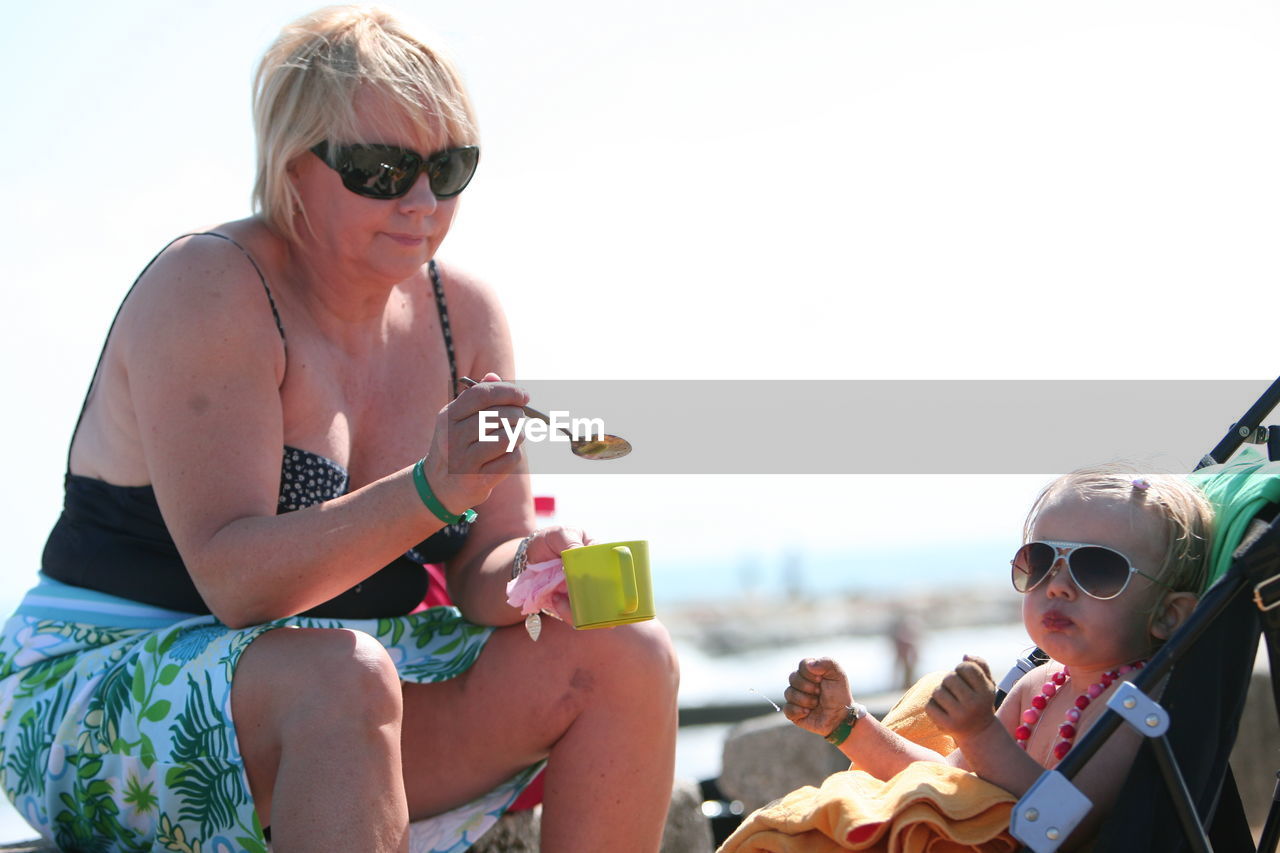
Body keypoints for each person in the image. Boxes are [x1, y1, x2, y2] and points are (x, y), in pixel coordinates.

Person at [0, 7, 677, 853]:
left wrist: (532, 566)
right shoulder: (209, 286)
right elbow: (237, 588)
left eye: (449, 166)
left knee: (626, 650)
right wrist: (431, 489)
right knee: (344, 677)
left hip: (342, 687)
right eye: (381, 168)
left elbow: (481, 567)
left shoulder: (462, 313)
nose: (423, 201)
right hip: (105, 681)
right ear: (293, 169)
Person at [775, 465, 1212, 848]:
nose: (1057, 585)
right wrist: (848, 724)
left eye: (1098, 568)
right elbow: (952, 780)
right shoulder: (1039, 684)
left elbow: (1064, 825)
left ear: (1168, 616)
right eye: (1040, 561)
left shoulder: (1137, 704)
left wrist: (980, 730)